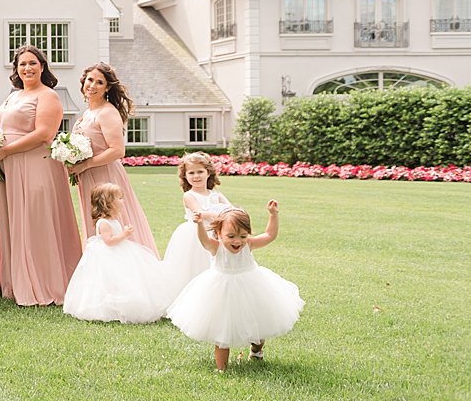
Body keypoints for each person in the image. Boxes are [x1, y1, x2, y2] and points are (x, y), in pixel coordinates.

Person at [0, 44, 82, 305]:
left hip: (36, 164)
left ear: (42, 67)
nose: (27, 68)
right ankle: (17, 281)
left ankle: (46, 283)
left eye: (32, 63)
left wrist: (5, 152)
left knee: (36, 222)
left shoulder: (48, 95)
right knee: (15, 221)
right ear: (15, 69)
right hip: (9, 166)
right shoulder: (13, 96)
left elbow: (43, 134)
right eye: (22, 64)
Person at [166, 202, 303, 371]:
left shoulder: (249, 244)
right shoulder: (216, 247)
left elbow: (269, 235)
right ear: (219, 233)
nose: (237, 241)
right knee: (222, 331)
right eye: (231, 236)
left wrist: (273, 215)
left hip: (251, 287)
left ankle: (256, 351)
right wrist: (200, 224)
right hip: (221, 291)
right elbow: (203, 240)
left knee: (259, 325)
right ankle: (221, 368)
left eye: (243, 236)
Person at [66, 63, 157, 254]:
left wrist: (86, 164)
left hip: (105, 177)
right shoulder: (88, 113)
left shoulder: (107, 112)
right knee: (97, 224)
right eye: (90, 80)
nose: (93, 85)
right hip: (88, 177)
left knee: (112, 222)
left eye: (100, 82)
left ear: (107, 88)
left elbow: (117, 150)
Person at [62, 183, 170, 324]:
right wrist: (125, 235)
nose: (122, 201)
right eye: (119, 198)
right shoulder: (104, 223)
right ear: (108, 203)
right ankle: (109, 307)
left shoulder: (113, 220)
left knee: (124, 277)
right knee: (109, 278)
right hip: (108, 254)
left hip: (119, 251)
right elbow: (109, 241)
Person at [164, 152, 233, 294]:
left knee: (216, 263)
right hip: (196, 233)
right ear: (185, 176)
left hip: (216, 232)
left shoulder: (216, 194)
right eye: (191, 173)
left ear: (209, 173)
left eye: (200, 172)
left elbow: (232, 210)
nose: (196, 176)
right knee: (194, 265)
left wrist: (229, 215)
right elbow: (200, 213)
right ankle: (193, 294)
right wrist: (222, 215)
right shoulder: (189, 195)